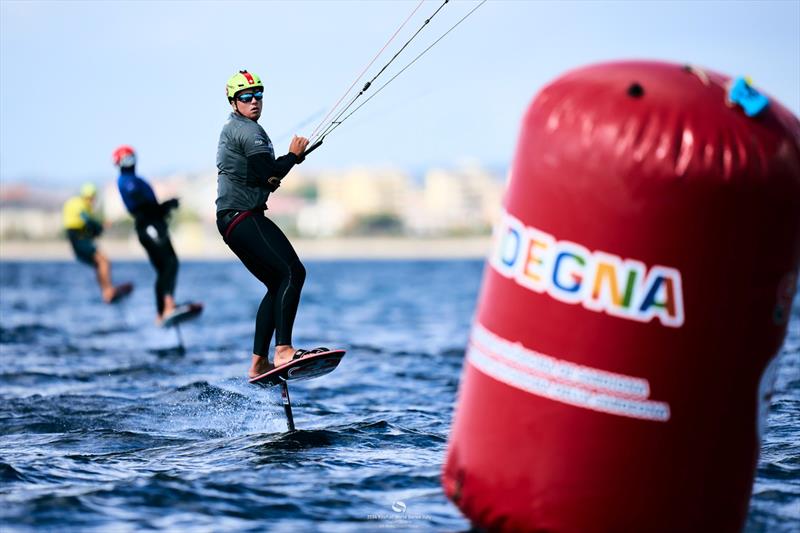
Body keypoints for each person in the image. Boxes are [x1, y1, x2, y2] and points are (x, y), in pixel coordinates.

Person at [215, 69, 326, 379]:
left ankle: (258, 363)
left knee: (277, 283)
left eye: (258, 95)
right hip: (243, 217)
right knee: (293, 271)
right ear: (233, 101)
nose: (254, 102)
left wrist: (289, 161)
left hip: (231, 221)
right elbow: (269, 174)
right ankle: (283, 350)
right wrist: (292, 156)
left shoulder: (237, 128)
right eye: (246, 97)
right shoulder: (250, 132)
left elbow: (265, 175)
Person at [113, 145, 193, 324]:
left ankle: (163, 311)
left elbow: (151, 206)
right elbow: (143, 205)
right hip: (148, 226)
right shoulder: (127, 181)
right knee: (169, 264)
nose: (130, 162)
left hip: (154, 225)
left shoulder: (137, 180)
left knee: (166, 267)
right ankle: (167, 307)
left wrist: (166, 206)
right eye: (126, 159)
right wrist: (164, 206)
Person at [62, 183, 132, 303]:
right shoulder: (79, 204)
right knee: (104, 261)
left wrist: (98, 229)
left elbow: (90, 228)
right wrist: (99, 227)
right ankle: (107, 291)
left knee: (99, 264)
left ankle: (106, 291)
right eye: (92, 198)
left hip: (79, 240)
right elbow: (86, 220)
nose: (93, 201)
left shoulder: (83, 205)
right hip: (79, 240)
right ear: (88, 196)